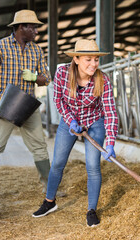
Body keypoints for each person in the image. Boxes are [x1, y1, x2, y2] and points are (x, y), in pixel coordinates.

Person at [32, 39, 118, 227]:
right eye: (88, 59)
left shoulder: (102, 79)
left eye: (96, 59)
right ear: (77, 59)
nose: (93, 64)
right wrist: (70, 119)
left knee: (93, 166)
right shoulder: (62, 73)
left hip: (94, 122)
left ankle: (91, 210)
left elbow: (110, 112)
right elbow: (58, 98)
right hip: (69, 122)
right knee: (58, 163)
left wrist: (110, 142)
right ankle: (49, 201)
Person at [0, 10, 51, 198]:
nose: (36, 31)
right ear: (21, 27)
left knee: (39, 147)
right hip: (5, 105)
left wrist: (36, 77)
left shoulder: (36, 50)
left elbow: (47, 78)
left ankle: (50, 189)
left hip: (27, 106)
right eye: (33, 27)